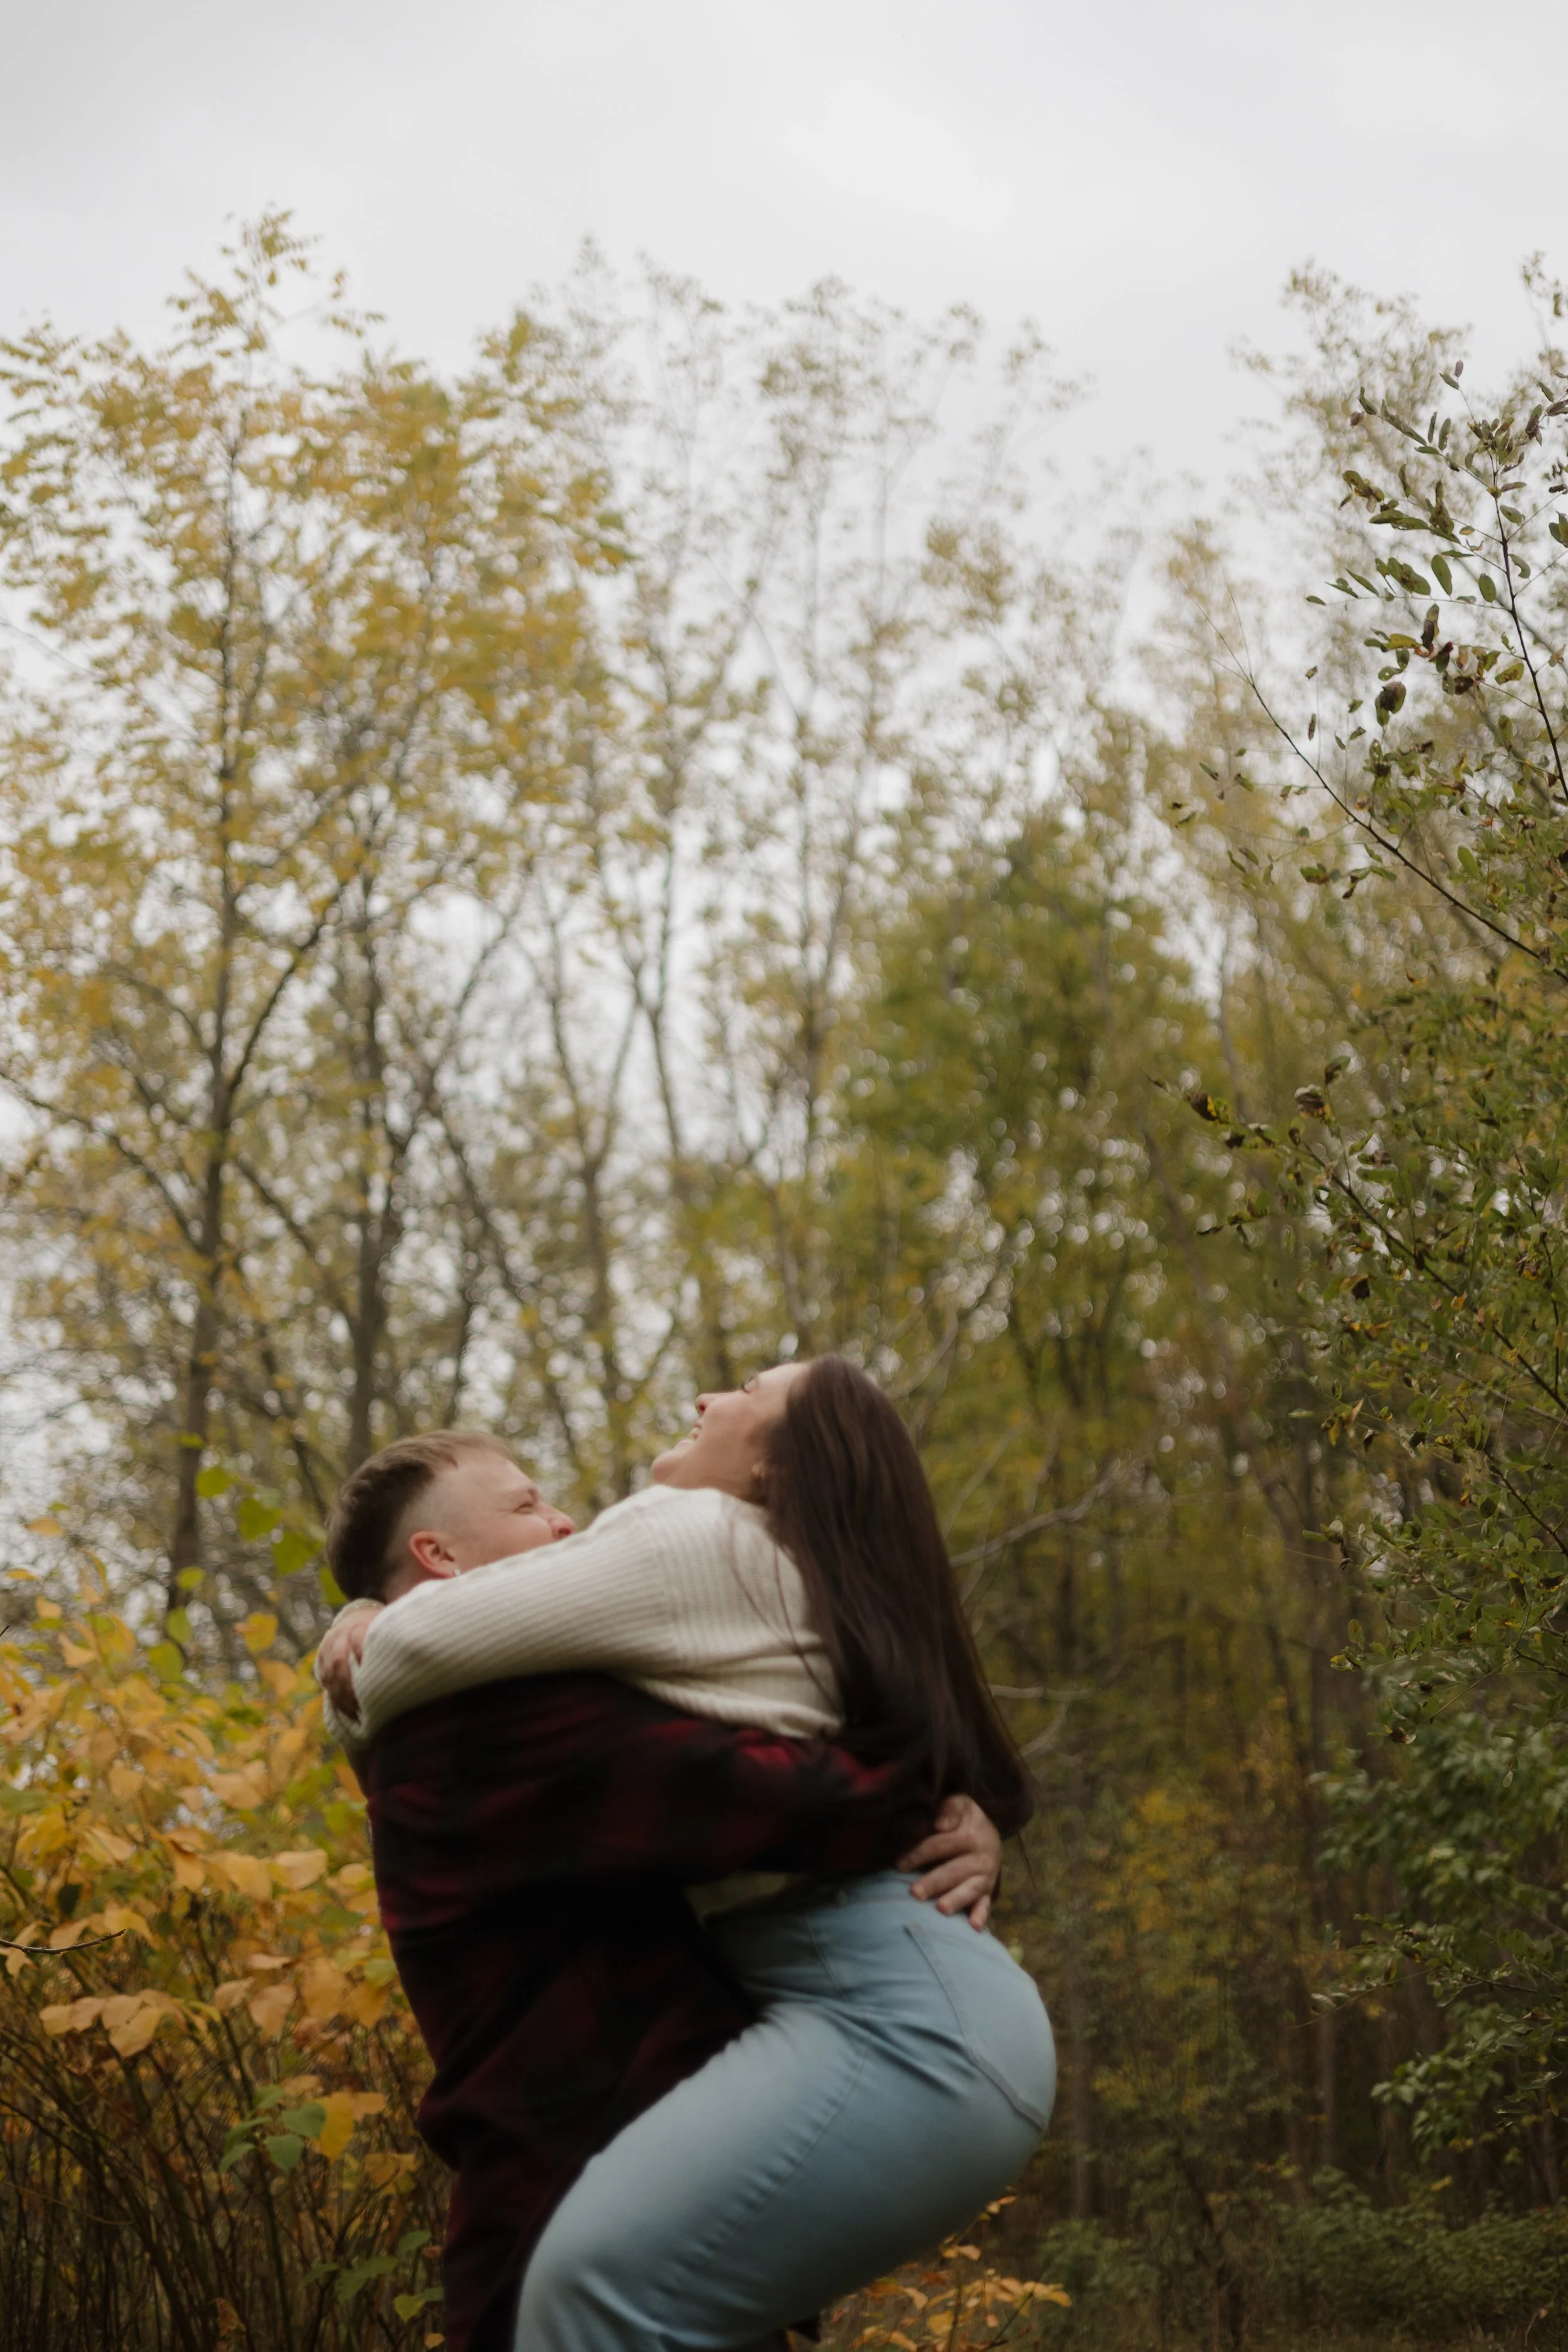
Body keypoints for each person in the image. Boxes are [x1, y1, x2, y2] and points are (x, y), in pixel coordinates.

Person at [320, 1356, 1056, 2351]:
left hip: (885, 2015)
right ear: (440, 1558)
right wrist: (943, 1801)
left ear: (775, 1469)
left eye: (745, 1391)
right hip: (830, 2026)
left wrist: (932, 1804)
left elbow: (744, 1783)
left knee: (584, 2299)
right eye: (531, 1503)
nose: (571, 1527)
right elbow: (753, 1771)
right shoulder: (524, 1702)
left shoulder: (689, 1541)